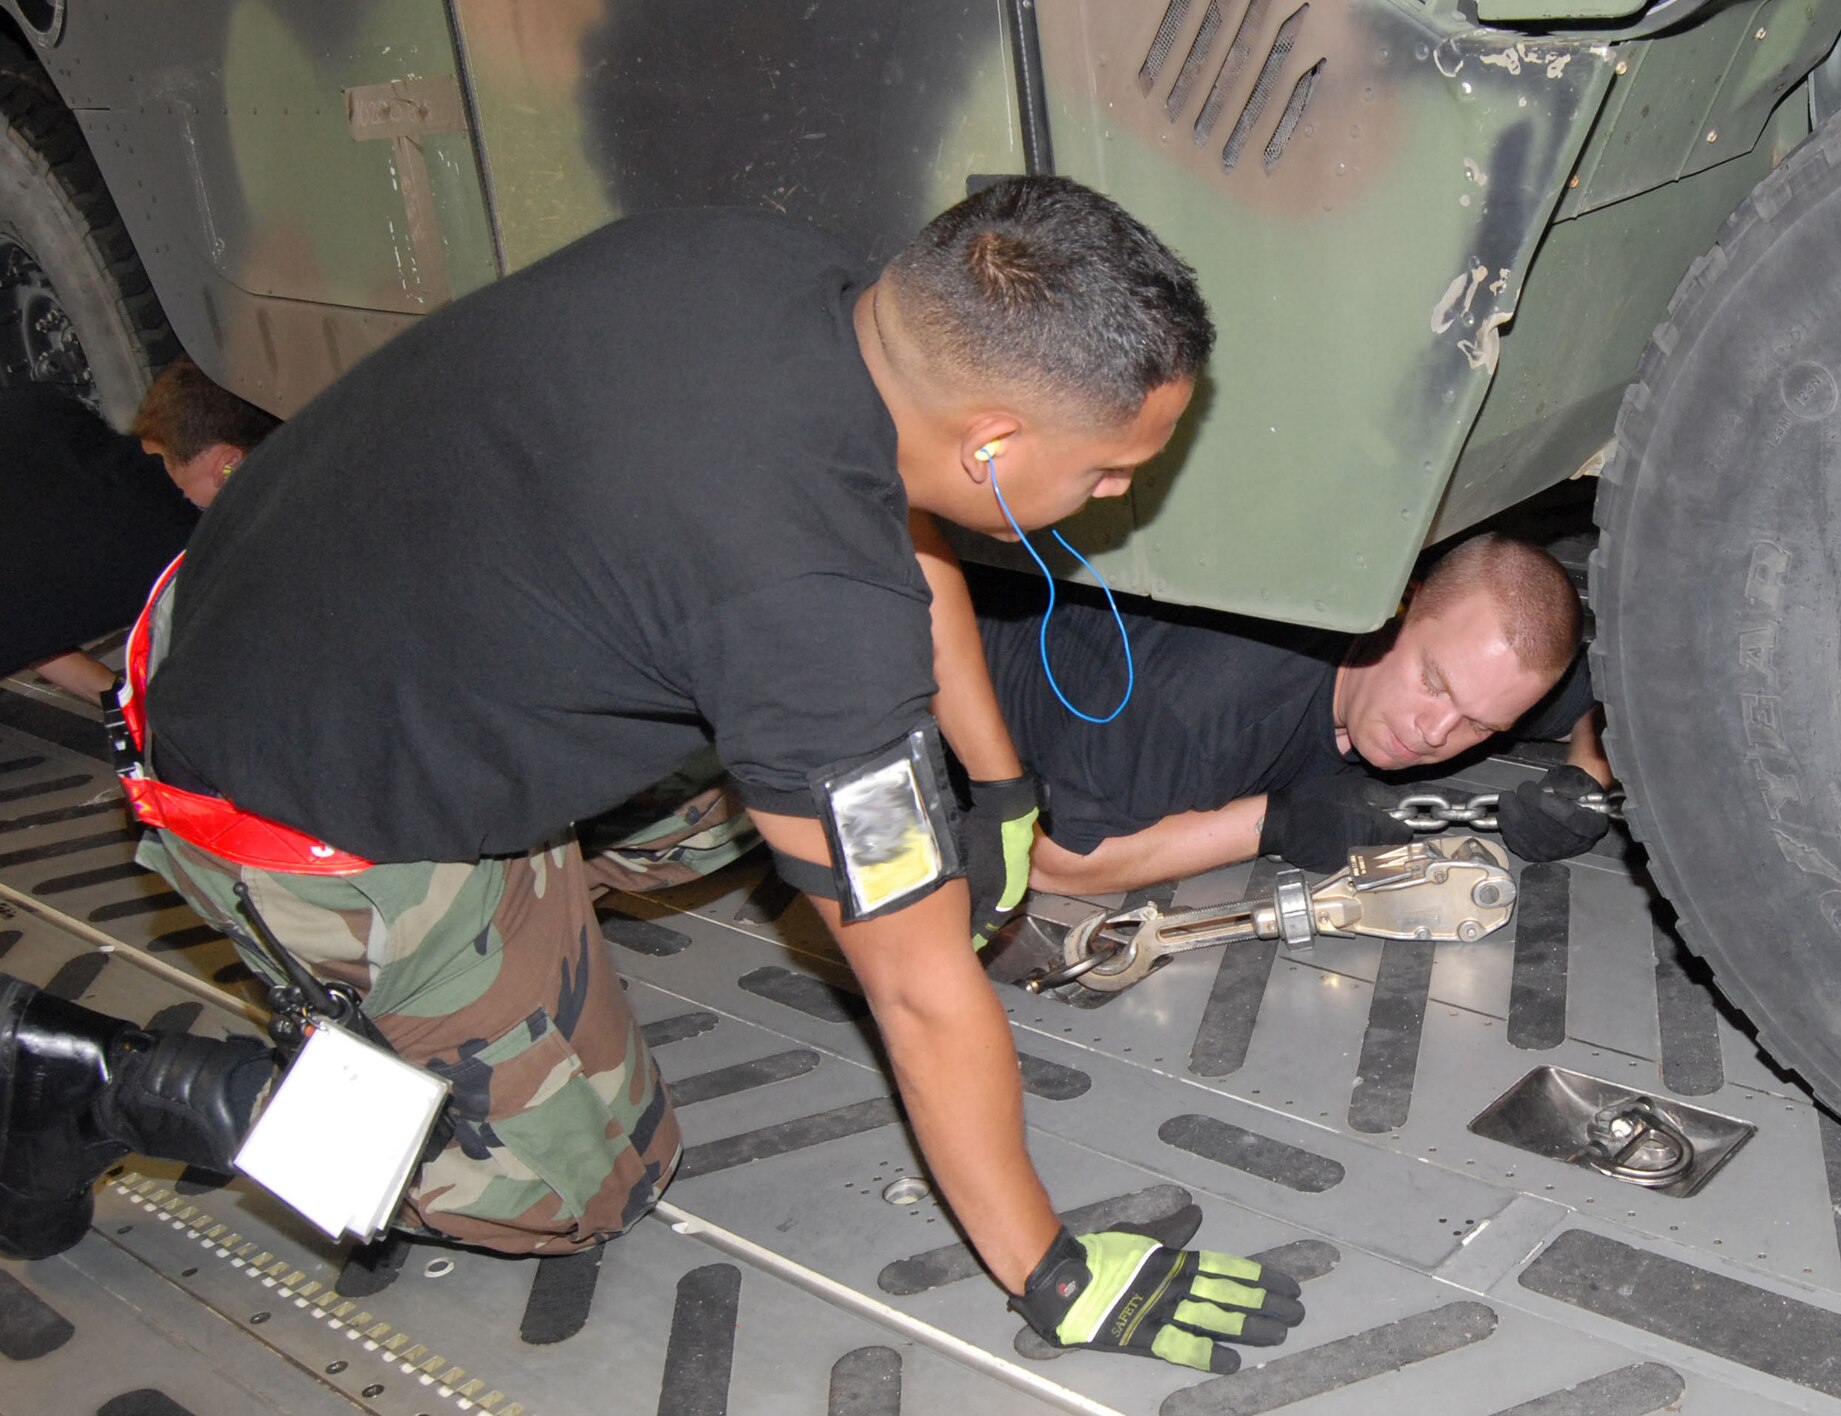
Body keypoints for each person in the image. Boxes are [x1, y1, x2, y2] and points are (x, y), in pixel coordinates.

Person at [0, 178, 1303, 1374]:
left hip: (296, 616)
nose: (1122, 487)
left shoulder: (779, 271)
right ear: (993, 443)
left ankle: (490, 954)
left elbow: (894, 533)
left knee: (796, 789)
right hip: (293, 789)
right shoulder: (803, 612)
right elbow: (914, 990)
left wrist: (999, 786)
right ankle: (119, 1088)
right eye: (1110, 467)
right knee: (577, 1190)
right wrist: (1048, 1267)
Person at [974, 534, 1613, 899]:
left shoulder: (1486, 677)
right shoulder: (1201, 713)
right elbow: (1049, 864)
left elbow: (1597, 699)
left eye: (1481, 726)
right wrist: (1275, 824)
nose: (1435, 733)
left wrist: (1587, 777)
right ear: (1396, 608)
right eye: (1433, 683)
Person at [0, 358, 277, 699]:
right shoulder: (163, 550)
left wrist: (118, 696)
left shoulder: (42, 410)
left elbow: (30, 615)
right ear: (229, 465)